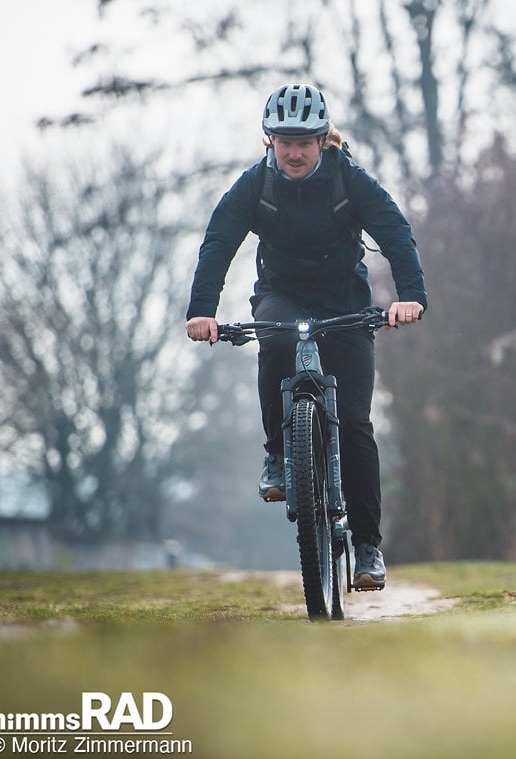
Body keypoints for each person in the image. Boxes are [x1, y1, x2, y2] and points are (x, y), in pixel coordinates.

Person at [185, 84, 426, 590]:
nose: (294, 152)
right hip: (283, 295)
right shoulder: (255, 186)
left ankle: (367, 547)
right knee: (273, 342)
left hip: (346, 303)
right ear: (268, 140)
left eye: (305, 142)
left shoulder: (349, 179)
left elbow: (395, 232)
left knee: (356, 423)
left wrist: (410, 295)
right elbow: (218, 242)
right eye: (284, 141)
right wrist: (202, 311)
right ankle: (279, 453)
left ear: (323, 140)